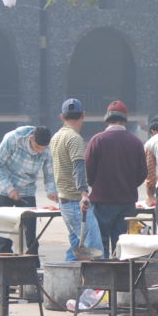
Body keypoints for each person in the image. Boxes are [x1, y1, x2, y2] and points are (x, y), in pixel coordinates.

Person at [85, 100, 147, 258]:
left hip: (102, 201)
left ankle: (104, 279)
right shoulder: (135, 142)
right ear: (125, 119)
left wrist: (96, 185)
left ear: (107, 119)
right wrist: (129, 185)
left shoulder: (96, 140)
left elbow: (88, 170)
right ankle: (123, 278)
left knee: (101, 242)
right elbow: (143, 172)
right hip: (127, 202)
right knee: (124, 243)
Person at [0, 125, 58, 254]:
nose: (39, 152)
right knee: (4, 230)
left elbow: (49, 173)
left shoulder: (47, 148)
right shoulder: (12, 139)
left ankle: (32, 262)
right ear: (31, 138)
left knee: (30, 230)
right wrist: (9, 188)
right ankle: (4, 259)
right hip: (4, 188)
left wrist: (51, 190)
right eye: (37, 148)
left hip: (28, 189)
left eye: (42, 149)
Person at [50, 98, 103, 261]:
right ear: (83, 115)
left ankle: (66, 282)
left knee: (76, 248)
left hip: (64, 200)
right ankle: (95, 286)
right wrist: (84, 194)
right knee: (94, 250)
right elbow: (78, 167)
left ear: (62, 117)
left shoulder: (56, 137)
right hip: (75, 202)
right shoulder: (74, 139)